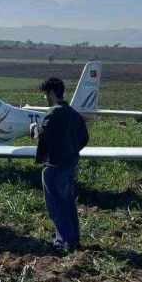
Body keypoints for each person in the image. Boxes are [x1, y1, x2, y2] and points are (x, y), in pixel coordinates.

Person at [33, 77, 90, 252]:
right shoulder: (73, 114)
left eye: (45, 94)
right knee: (68, 204)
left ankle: (63, 243)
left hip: (55, 167)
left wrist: (34, 128)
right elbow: (84, 138)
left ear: (51, 93)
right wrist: (71, 151)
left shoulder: (53, 113)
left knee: (57, 206)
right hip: (70, 165)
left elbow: (43, 134)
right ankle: (73, 240)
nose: (45, 98)